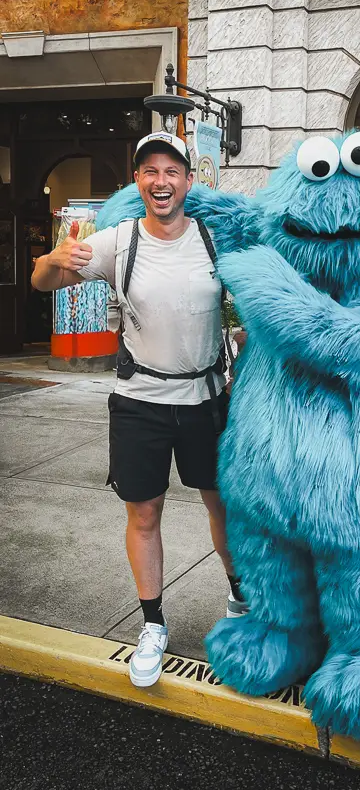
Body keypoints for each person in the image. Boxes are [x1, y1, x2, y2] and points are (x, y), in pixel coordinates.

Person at [32, 132, 247, 689]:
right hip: (140, 403)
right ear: (137, 182)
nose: (160, 180)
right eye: (149, 171)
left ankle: (242, 598)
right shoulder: (117, 241)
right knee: (144, 515)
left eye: (171, 171)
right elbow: (42, 281)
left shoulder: (211, 240)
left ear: (187, 182)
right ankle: (152, 624)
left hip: (206, 398)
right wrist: (53, 260)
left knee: (223, 507)